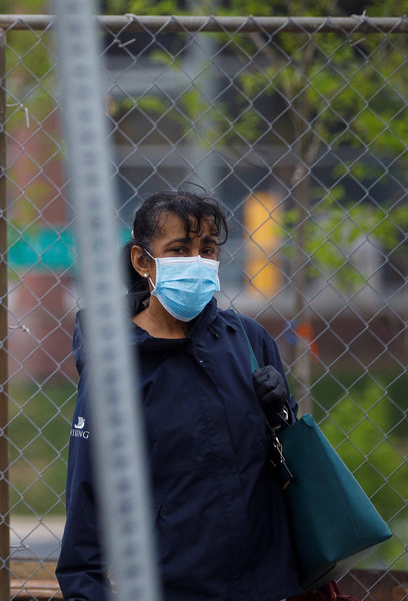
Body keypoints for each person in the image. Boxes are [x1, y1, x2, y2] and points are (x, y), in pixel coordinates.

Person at [55, 190, 304, 600]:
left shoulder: (248, 341)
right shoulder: (114, 367)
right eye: (179, 249)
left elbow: (292, 467)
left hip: (269, 586)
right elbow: (87, 510)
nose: (197, 262)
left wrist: (283, 416)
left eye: (207, 249)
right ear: (141, 261)